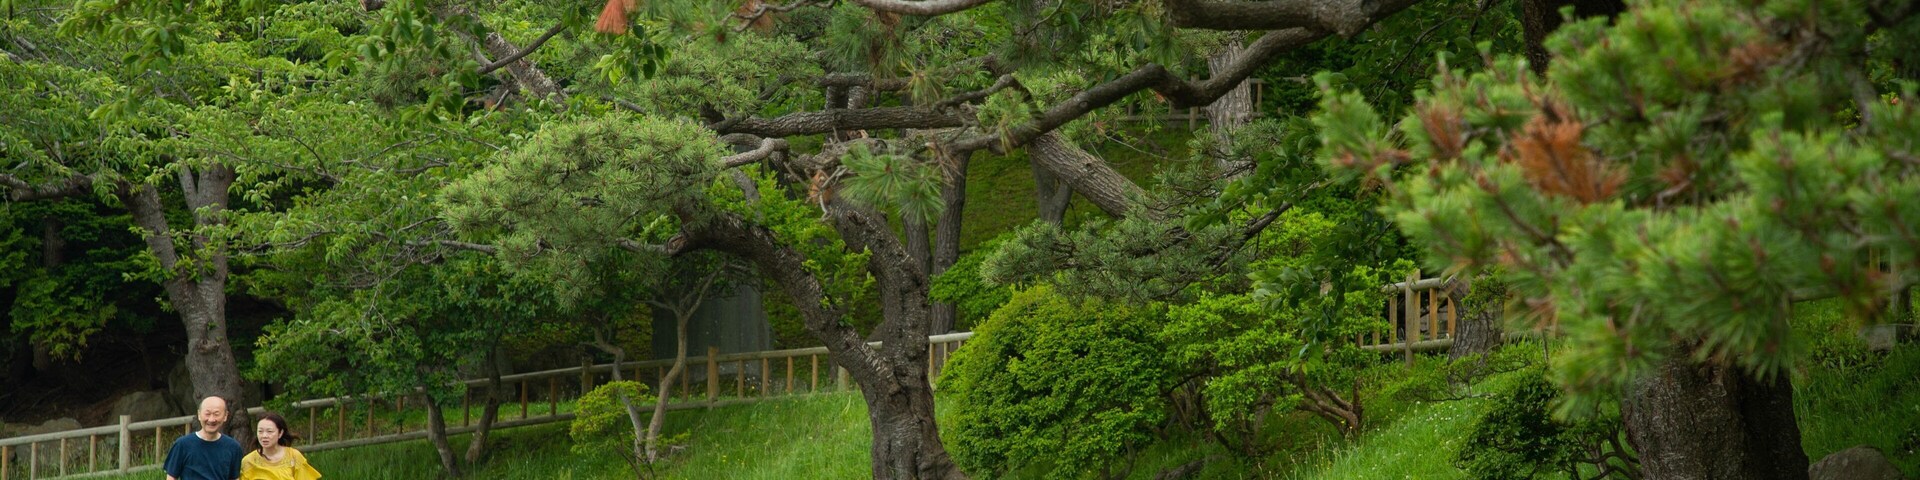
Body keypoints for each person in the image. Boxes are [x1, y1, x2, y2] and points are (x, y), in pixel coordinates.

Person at [164, 396, 245, 480]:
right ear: (199, 415)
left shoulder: (233, 447)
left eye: (216, 414)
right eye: (207, 414)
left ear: (225, 416)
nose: (211, 419)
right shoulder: (182, 445)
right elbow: (171, 477)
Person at [240, 412, 322, 480]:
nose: (264, 436)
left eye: (269, 431)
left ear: (280, 433)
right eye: (260, 431)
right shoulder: (248, 461)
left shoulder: (294, 457)